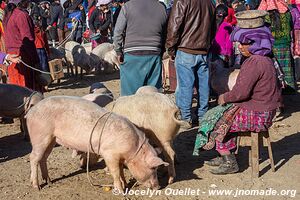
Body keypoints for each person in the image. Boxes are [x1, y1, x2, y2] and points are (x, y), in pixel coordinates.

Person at [193, 25, 281, 174]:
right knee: (224, 116)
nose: (240, 47)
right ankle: (225, 155)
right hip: (265, 110)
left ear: (256, 44)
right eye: (240, 43)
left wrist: (224, 97)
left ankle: (229, 160)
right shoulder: (266, 59)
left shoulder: (254, 62)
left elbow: (241, 93)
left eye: (245, 43)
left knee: (214, 121)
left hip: (258, 114)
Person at [165, 0, 215, 128]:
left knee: (186, 86)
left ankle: (186, 118)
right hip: (203, 51)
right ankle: (203, 116)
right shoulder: (209, 3)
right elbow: (213, 27)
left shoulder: (182, 1)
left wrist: (170, 48)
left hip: (186, 49)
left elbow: (174, 25)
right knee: (203, 86)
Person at [114, 0, 167, 96]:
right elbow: (165, 33)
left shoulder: (127, 6)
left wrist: (118, 51)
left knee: (130, 96)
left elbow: (118, 32)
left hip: (132, 54)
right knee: (152, 93)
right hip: (154, 53)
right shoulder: (161, 8)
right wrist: (162, 50)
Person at [258, 0, 297, 93]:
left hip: (272, 45)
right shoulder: (287, 12)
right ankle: (289, 87)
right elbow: (291, 27)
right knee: (287, 66)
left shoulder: (266, 16)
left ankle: (278, 88)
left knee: (276, 68)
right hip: (286, 44)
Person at [3, 0, 41, 91]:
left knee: (16, 89)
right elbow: (28, 40)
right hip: (22, 56)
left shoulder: (8, 15)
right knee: (26, 90)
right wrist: (36, 60)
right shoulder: (21, 15)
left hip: (12, 56)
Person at [210, 4, 233, 69]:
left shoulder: (210, 24)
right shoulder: (227, 26)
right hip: (222, 54)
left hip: (211, 52)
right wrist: (229, 55)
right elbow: (229, 43)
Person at [291, 3, 300, 81]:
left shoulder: (293, 10)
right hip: (296, 32)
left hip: (295, 32)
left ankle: (297, 76)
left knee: (296, 53)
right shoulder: (294, 9)